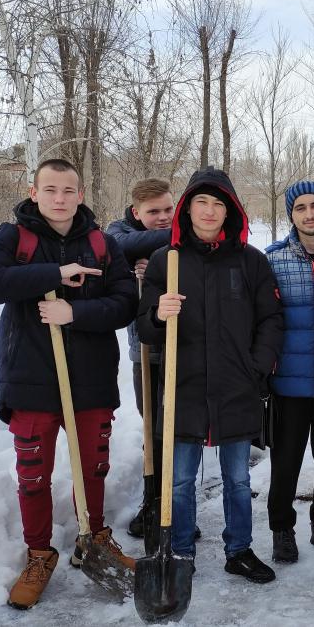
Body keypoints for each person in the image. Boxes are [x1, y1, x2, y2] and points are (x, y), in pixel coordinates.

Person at [0, 158, 137, 610]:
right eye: (51, 190)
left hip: (92, 378)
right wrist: (54, 275)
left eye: (68, 190)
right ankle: (39, 552)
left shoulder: (101, 242)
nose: (60, 199)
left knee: (92, 466)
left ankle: (94, 537)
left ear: (80, 193)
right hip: (30, 377)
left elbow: (126, 303)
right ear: (34, 191)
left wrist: (75, 313)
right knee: (33, 473)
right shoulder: (13, 237)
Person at [137, 167, 284, 584]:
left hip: (236, 388)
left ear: (230, 211)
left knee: (238, 480)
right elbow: (144, 329)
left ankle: (238, 549)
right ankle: (180, 551)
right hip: (183, 388)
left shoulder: (251, 261)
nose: (209, 211)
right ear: (187, 209)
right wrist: (156, 314)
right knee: (181, 480)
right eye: (201, 202)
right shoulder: (168, 261)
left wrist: (256, 366)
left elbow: (271, 319)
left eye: (218, 204)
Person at [264, 181, 314, 563]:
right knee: (286, 463)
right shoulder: (273, 260)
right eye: (300, 208)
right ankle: (282, 529)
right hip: (288, 386)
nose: (309, 214)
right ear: (291, 215)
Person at [105, 178, 175, 538]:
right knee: (151, 427)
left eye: (169, 210)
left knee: (174, 431)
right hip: (143, 353)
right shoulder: (119, 233)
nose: (164, 218)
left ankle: (173, 503)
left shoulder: (184, 237)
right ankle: (152, 500)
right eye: (154, 212)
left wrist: (159, 268)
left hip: (180, 350)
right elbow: (115, 245)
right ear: (136, 212)